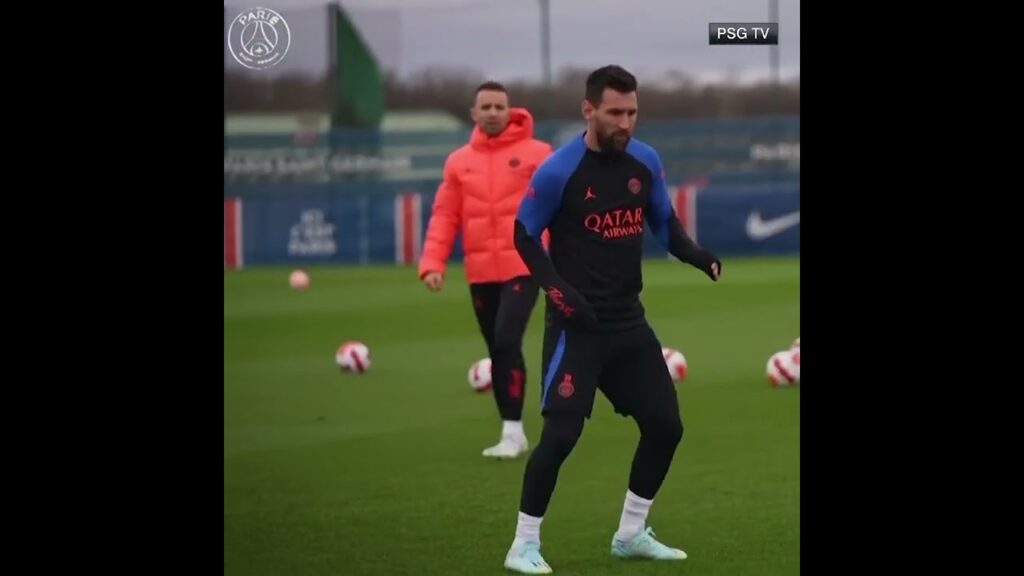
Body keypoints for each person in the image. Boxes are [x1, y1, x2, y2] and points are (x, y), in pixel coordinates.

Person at [502, 65, 722, 574]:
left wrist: (696, 255)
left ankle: (630, 534)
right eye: (615, 112)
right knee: (561, 437)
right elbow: (524, 235)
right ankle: (523, 544)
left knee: (665, 426)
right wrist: (559, 292)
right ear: (589, 110)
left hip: (628, 323)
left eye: (632, 112)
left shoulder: (645, 162)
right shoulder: (559, 170)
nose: (625, 122)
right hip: (576, 327)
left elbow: (664, 224)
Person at [418, 81, 553, 459]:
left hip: (524, 265)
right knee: (497, 347)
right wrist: (432, 263)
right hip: (479, 271)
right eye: (486, 106)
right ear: (474, 114)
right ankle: (512, 431)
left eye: (499, 106)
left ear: (510, 111)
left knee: (508, 338)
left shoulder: (538, 154)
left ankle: (512, 434)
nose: (493, 112)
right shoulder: (459, 161)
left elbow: (559, 207)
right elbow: (445, 215)